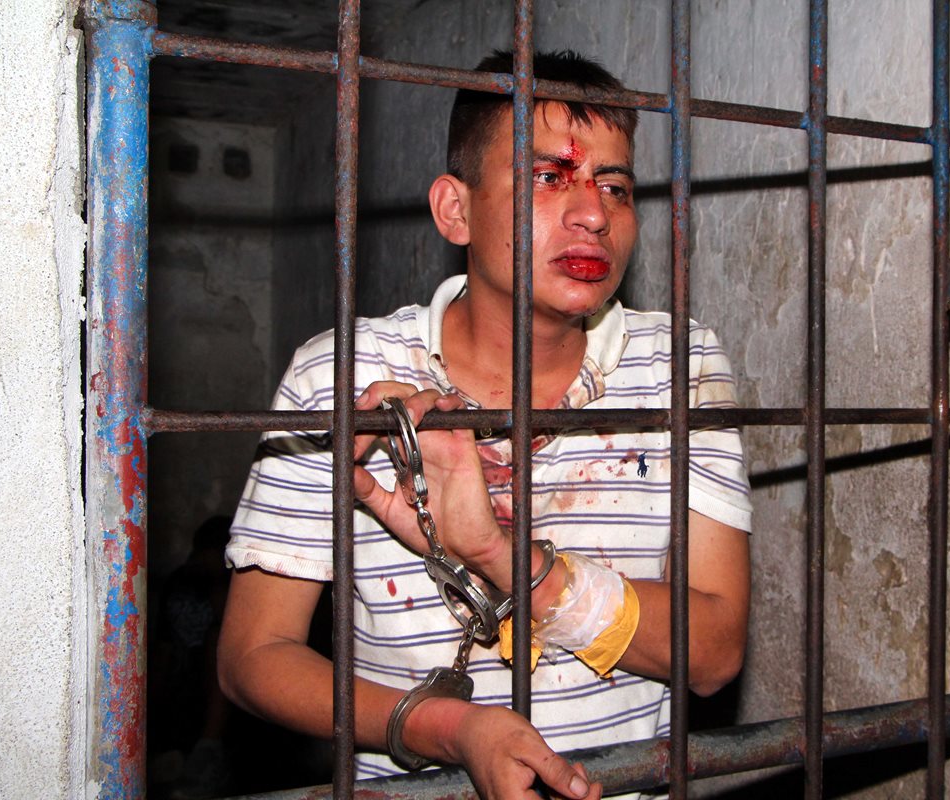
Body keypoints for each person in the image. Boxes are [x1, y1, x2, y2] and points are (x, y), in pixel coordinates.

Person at [218, 49, 752, 799]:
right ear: (455, 210)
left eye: (615, 186)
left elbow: (716, 651)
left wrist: (497, 554)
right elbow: (253, 655)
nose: (594, 213)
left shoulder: (678, 365)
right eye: (548, 176)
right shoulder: (341, 376)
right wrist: (448, 729)